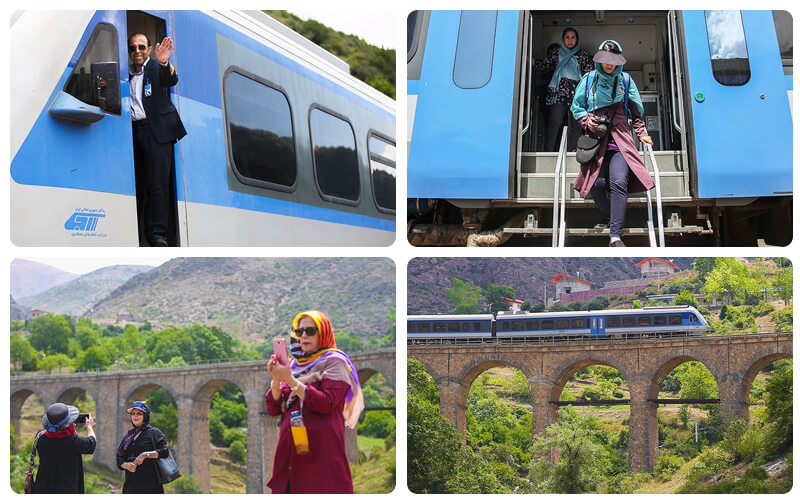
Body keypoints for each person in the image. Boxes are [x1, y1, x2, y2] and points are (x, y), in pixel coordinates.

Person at [265, 311, 365, 494]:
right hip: (290, 452)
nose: (303, 335)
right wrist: (276, 379)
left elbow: (326, 402)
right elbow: (274, 408)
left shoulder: (335, 363)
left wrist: (291, 381)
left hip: (321, 452)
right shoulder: (294, 365)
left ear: (323, 333)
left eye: (310, 331)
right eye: (299, 331)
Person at [570, 40, 655, 247]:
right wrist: (586, 120)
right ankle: (611, 216)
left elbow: (636, 111)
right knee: (597, 185)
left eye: (614, 61)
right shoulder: (589, 79)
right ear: (599, 60)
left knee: (618, 182)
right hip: (595, 140)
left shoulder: (626, 80)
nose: (610, 65)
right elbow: (576, 106)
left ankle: (615, 236)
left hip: (620, 139)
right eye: (606, 61)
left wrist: (641, 132)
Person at [128, 32, 187, 247]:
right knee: (137, 183)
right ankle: (136, 231)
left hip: (157, 133)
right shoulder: (125, 74)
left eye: (141, 47)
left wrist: (164, 62)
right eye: (133, 48)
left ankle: (157, 234)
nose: (137, 51)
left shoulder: (155, 67)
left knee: (158, 185)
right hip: (133, 132)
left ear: (149, 49)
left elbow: (171, 79)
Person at [534, 27, 593, 151]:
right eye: (567, 37)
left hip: (577, 95)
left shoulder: (583, 56)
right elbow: (544, 64)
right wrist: (529, 60)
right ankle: (549, 152)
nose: (570, 40)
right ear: (563, 39)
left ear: (577, 39)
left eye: (573, 37)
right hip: (559, 94)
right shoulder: (557, 53)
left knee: (577, 125)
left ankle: (572, 152)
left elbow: (589, 76)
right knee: (555, 122)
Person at [32, 403, 96, 493]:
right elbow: (91, 443)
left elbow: (56, 438)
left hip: (43, 489)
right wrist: (89, 427)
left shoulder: (40, 438)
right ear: (67, 424)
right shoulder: (74, 442)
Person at [116, 401, 170, 494]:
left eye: (139, 414)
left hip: (150, 485)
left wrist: (145, 455)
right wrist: (126, 465)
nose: (135, 416)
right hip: (131, 486)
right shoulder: (128, 436)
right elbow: (119, 457)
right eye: (133, 413)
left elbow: (165, 451)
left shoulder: (154, 432)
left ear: (145, 416)